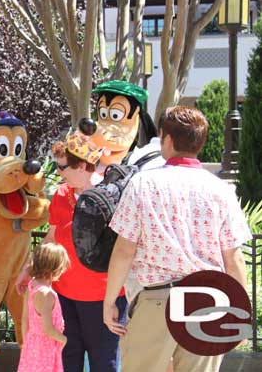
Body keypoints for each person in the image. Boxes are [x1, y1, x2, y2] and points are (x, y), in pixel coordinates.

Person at [103, 106, 251, 372]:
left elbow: (124, 250)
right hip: (207, 300)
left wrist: (110, 300)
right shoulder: (221, 190)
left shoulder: (142, 184)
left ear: (167, 139)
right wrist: (241, 313)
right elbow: (234, 257)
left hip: (158, 299)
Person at [17, 132, 127, 372]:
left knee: (104, 364)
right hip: (65, 296)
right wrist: (29, 269)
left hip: (103, 298)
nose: (59, 172)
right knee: (67, 360)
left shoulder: (111, 195)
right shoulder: (61, 194)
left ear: (82, 166)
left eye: (63, 167)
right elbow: (51, 238)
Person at [17, 243, 70, 372]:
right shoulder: (46, 295)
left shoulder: (32, 285)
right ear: (54, 268)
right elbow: (48, 329)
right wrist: (63, 339)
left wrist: (26, 344)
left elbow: (25, 320)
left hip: (32, 346)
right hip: (45, 348)